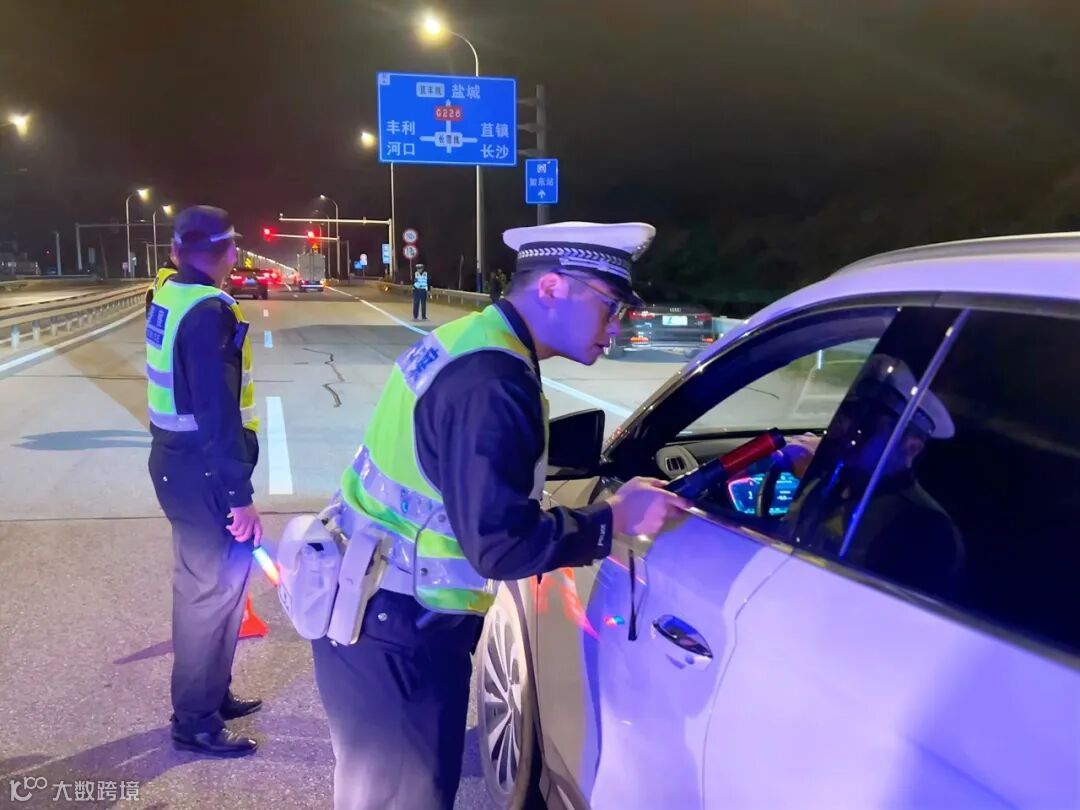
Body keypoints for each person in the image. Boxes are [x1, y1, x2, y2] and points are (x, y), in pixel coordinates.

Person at [311, 221, 688, 809]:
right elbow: (501, 545)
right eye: (610, 306)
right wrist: (613, 520)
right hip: (400, 630)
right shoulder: (493, 381)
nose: (616, 326)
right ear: (553, 288)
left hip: (369, 605)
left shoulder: (474, 339)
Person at [145, 206, 264, 758]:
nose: (236, 256)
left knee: (222, 588)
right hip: (201, 469)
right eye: (233, 248)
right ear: (227, 253)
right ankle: (194, 720)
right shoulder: (207, 312)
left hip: (179, 461)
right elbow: (216, 412)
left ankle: (213, 697)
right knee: (207, 596)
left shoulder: (168, 293)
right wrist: (239, 497)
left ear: (176, 252)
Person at [784, 354, 964, 596]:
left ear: (911, 447)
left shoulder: (924, 527)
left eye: (869, 423)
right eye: (854, 414)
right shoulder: (831, 483)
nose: (849, 429)